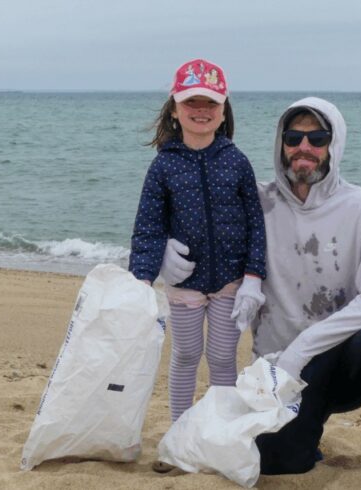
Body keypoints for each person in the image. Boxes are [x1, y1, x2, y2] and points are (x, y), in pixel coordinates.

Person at [158, 97, 361, 489]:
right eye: (294, 137)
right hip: (278, 372)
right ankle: (307, 435)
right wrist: (167, 247)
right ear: (280, 143)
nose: (305, 147)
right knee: (277, 463)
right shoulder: (255, 202)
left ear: (334, 145)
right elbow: (193, 214)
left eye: (317, 138)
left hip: (348, 361)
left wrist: (303, 349)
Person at [128, 59, 266, 436]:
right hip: (184, 285)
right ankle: (180, 431)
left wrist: (254, 277)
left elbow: (257, 224)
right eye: (191, 103)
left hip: (230, 285)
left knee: (222, 358)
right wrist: (143, 276)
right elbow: (148, 227)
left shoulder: (237, 162)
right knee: (186, 355)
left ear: (224, 111)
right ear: (175, 109)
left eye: (210, 104)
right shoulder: (163, 166)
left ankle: (219, 432)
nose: (201, 111)